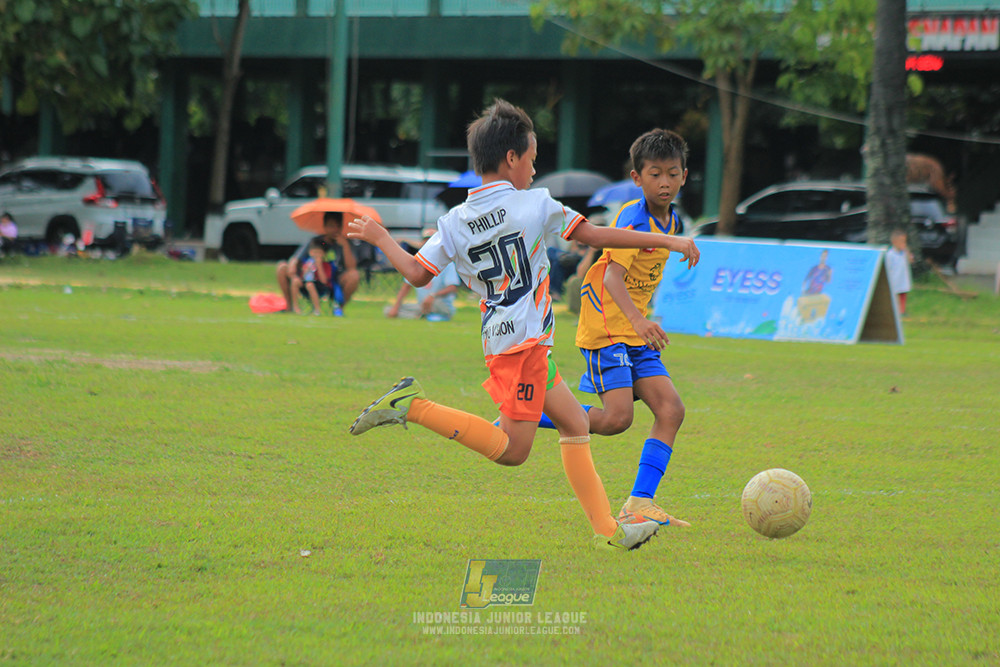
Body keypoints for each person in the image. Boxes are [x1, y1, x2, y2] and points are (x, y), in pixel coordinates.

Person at [346, 99, 699, 552]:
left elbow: (417, 274)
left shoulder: (455, 220)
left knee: (574, 423)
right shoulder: (534, 204)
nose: (534, 170)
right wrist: (667, 239)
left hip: (506, 341)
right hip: (524, 347)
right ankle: (412, 406)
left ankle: (611, 531)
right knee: (513, 452)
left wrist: (380, 237)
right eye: (532, 159)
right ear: (512, 158)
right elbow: (594, 236)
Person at [571, 128, 694, 528]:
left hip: (635, 329)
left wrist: (641, 321)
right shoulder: (632, 216)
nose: (664, 182)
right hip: (607, 325)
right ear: (637, 178)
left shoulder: (672, 219)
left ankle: (640, 501)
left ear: (684, 176)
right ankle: (532, 412)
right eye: (655, 173)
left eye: (672, 173)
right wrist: (640, 320)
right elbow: (611, 279)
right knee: (616, 419)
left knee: (671, 409)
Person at [276, 212, 359, 316]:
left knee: (354, 275)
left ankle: (339, 308)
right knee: (282, 267)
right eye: (331, 226)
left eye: (338, 226)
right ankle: (290, 306)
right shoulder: (316, 241)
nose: (335, 230)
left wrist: (345, 246)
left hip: (333, 281)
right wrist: (293, 272)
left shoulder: (345, 243)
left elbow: (351, 267)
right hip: (311, 278)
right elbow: (296, 259)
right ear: (325, 226)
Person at [385, 228, 462, 321]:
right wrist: (396, 306)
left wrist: (433, 296)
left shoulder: (447, 264)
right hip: (422, 304)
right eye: (425, 241)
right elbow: (406, 286)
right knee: (388, 309)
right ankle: (421, 316)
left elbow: (453, 288)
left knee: (435, 304)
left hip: (439, 303)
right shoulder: (417, 262)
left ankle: (421, 315)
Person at [294, 238, 331, 315]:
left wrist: (319, 266)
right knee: (295, 282)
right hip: (307, 283)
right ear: (310, 253)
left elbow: (324, 281)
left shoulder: (326, 265)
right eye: (314, 253)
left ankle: (317, 309)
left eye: (319, 253)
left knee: (310, 285)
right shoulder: (308, 263)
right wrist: (306, 269)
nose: (316, 255)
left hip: (320, 286)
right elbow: (303, 277)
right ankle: (295, 307)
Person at [885, 228, 913, 315]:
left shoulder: (904, 253)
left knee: (903, 295)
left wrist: (907, 251)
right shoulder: (890, 254)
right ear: (894, 242)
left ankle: (902, 311)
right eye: (901, 242)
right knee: (895, 296)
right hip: (895, 279)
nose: (903, 244)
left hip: (903, 278)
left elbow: (911, 260)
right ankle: (895, 311)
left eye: (904, 242)